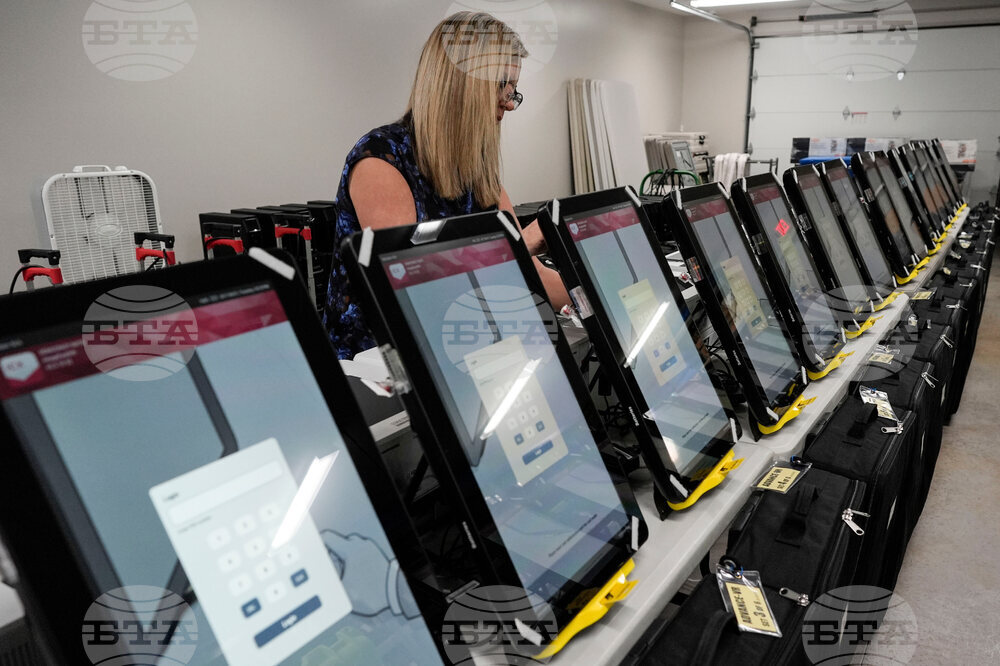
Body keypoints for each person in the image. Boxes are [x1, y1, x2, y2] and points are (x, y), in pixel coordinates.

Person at [323, 11, 569, 359]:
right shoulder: (381, 160)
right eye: (503, 85)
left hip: (458, 348)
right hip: (375, 369)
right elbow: (418, 293)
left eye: (515, 89)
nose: (510, 103)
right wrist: (514, 250)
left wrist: (599, 295)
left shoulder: (478, 171)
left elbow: (530, 275)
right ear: (461, 84)